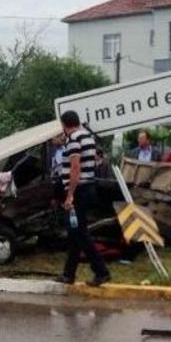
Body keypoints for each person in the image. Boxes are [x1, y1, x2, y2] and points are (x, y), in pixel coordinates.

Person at [54, 110, 111, 287]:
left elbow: (75, 168)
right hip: (87, 188)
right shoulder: (87, 136)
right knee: (74, 232)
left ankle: (101, 271)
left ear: (64, 124)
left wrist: (70, 195)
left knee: (80, 232)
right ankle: (68, 274)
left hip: (78, 190)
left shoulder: (73, 140)